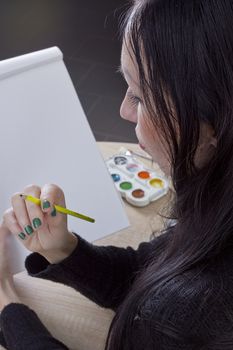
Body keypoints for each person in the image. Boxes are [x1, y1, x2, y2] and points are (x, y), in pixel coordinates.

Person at [0, 0, 233, 348]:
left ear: (214, 122)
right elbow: (151, 271)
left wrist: (6, 301)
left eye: (140, 96)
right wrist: (64, 249)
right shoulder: (217, 209)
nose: (124, 110)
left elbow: (162, 305)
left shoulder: (183, 320)